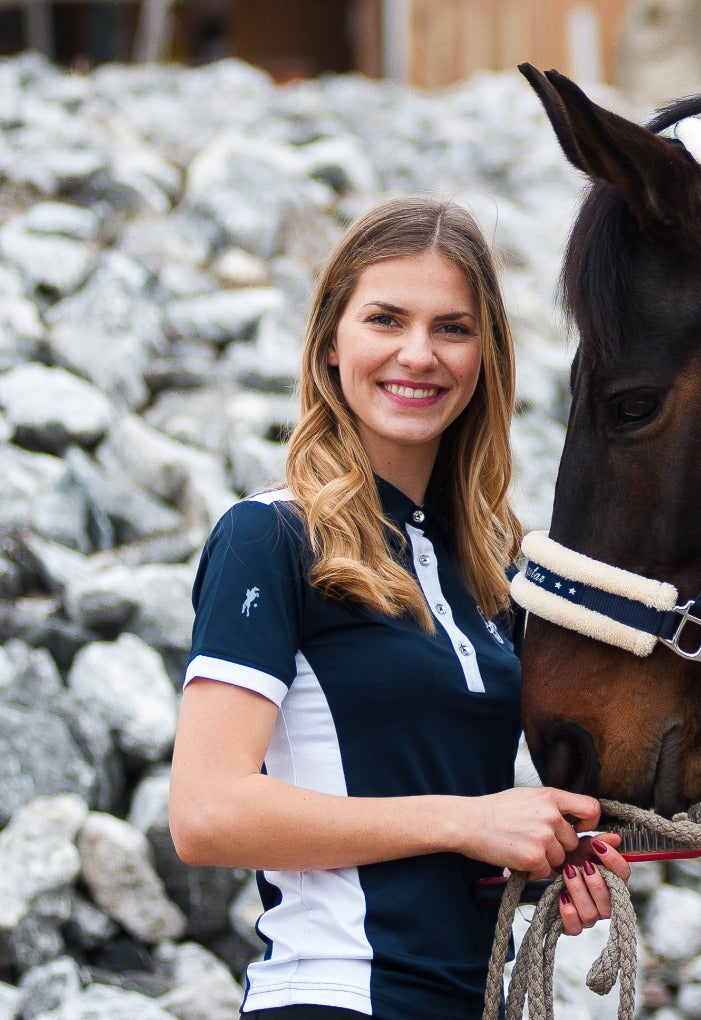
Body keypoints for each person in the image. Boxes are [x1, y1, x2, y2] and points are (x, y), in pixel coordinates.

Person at [168, 196, 631, 1019]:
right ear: (331, 344)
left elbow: (447, 833)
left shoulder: (489, 570)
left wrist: (542, 858)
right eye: (386, 319)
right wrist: (467, 822)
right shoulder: (268, 536)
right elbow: (208, 814)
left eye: (452, 328)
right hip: (333, 995)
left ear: (485, 355)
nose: (418, 355)